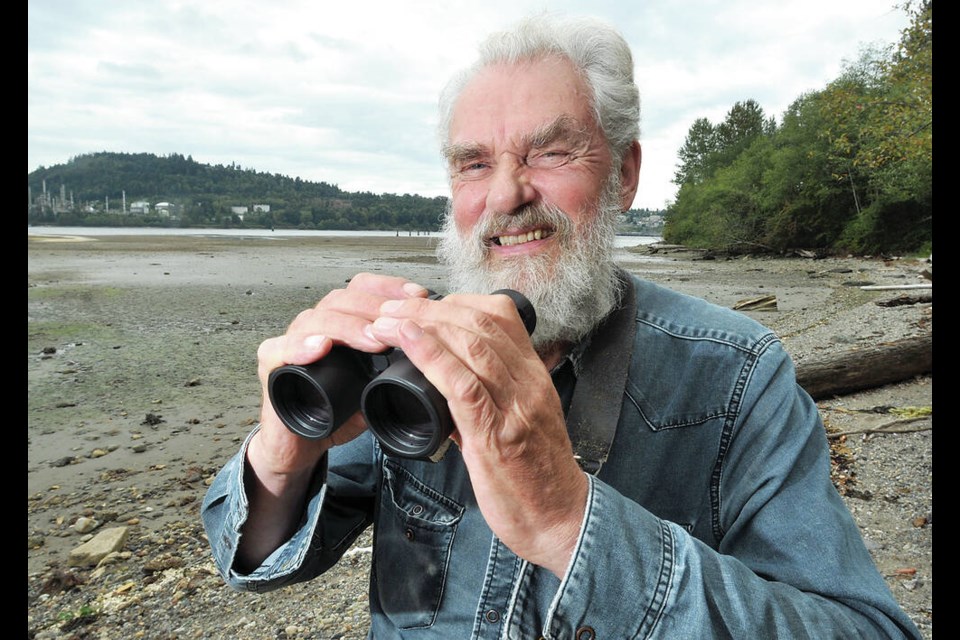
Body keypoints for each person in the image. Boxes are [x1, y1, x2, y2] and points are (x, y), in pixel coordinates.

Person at [202, 13, 922, 639]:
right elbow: (258, 565)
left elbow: (863, 628)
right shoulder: (412, 352)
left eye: (550, 152)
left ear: (625, 174)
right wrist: (280, 456)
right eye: (474, 163)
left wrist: (570, 523)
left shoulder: (734, 374)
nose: (508, 194)